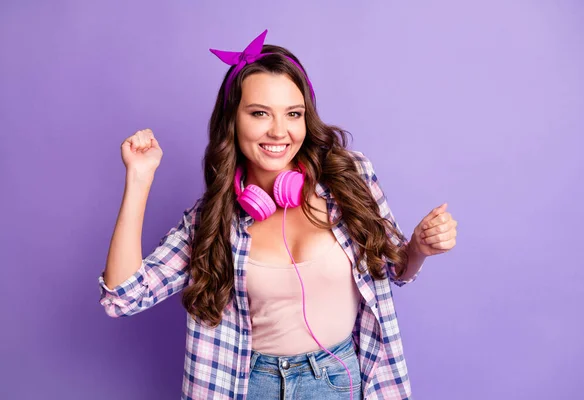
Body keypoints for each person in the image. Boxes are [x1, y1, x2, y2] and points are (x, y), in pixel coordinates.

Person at [98, 29, 458, 400]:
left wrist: (417, 248)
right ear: (233, 121)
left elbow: (394, 269)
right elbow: (122, 297)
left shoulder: (351, 179)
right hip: (248, 386)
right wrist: (139, 180)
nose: (279, 131)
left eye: (293, 114)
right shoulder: (213, 220)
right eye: (259, 113)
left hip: (339, 381)